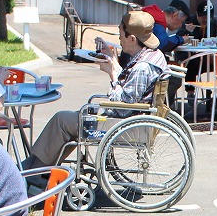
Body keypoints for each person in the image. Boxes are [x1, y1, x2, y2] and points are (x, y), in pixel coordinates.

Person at [25, 10, 168, 171]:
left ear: (132, 38)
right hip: (135, 120)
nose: (119, 39)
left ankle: (34, 169)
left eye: (121, 34)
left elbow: (124, 108)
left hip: (124, 125)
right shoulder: (153, 55)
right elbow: (132, 89)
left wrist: (113, 75)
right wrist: (113, 61)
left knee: (62, 121)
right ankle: (39, 168)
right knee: (70, 124)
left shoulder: (142, 67)